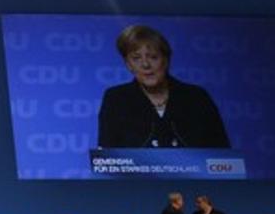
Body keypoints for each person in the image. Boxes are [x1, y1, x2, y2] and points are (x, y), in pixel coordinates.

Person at [96, 25, 230, 149]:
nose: (145, 65)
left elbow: (223, 156)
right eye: (136, 58)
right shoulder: (116, 99)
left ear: (166, 60)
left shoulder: (197, 97)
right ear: (128, 65)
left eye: (153, 57)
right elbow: (107, 159)